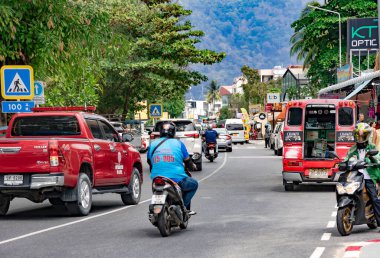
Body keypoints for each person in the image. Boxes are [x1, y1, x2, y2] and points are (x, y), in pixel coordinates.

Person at [147, 121, 198, 215]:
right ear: (173, 132)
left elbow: (149, 162)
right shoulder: (179, 143)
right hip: (176, 179)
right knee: (194, 184)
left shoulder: (152, 145)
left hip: (157, 178)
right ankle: (183, 208)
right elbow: (187, 160)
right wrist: (192, 166)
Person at [344, 123, 380, 227]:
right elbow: (346, 158)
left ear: (367, 136)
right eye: (357, 135)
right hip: (355, 176)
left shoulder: (372, 147)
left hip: (369, 177)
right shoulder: (353, 149)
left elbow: (378, 159)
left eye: (362, 136)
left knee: (374, 198)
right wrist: (343, 163)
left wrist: (371, 158)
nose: (360, 138)